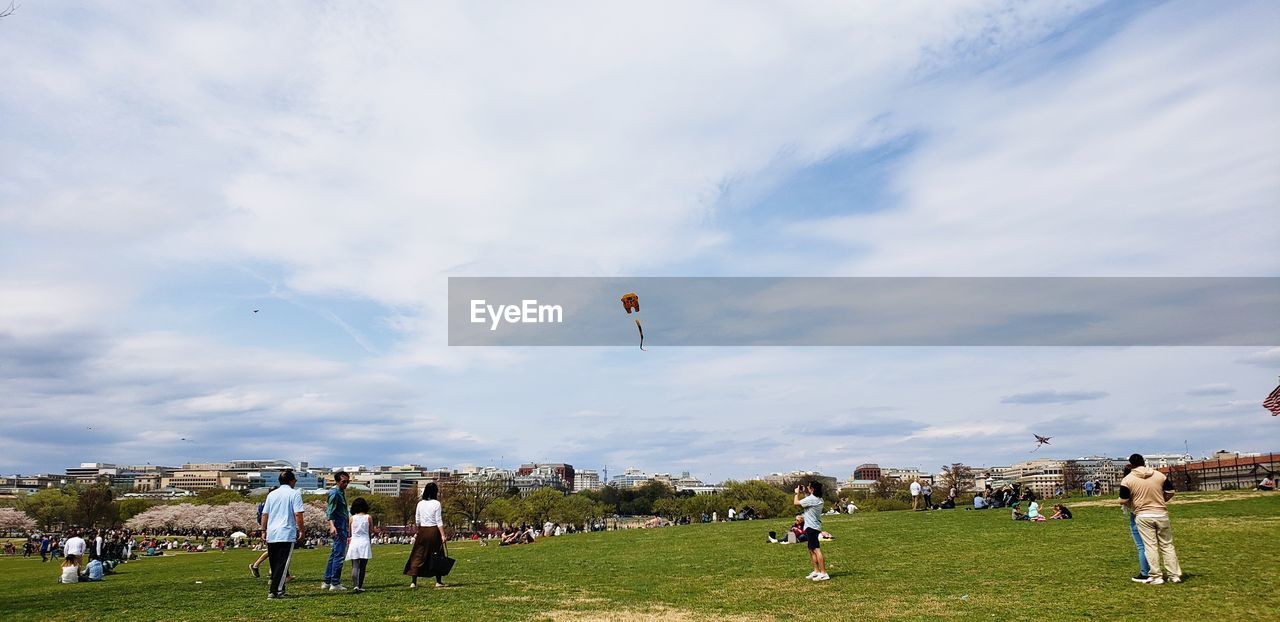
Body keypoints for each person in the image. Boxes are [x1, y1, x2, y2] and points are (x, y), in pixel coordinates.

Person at [1120, 453, 1182, 585]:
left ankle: (1156, 576)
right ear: (1144, 462)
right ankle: (1174, 575)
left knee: (1150, 546)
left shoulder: (1128, 479)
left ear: (1131, 465)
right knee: (1167, 545)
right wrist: (1162, 500)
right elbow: (1171, 491)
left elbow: (1124, 500)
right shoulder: (1159, 475)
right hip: (1160, 513)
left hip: (1143, 515)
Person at [261, 470, 306, 599]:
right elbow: (298, 514)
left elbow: (265, 514)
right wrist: (302, 530)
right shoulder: (294, 494)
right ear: (292, 481)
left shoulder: (272, 495)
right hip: (286, 532)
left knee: (274, 563)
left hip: (272, 532)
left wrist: (263, 530)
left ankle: (279, 588)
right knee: (283, 563)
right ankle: (275, 590)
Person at [404, 482, 448, 588]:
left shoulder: (420, 504)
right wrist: (443, 535)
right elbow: (439, 521)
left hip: (423, 531)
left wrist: (419, 531)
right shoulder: (437, 504)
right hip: (433, 531)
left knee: (418, 555)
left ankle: (413, 581)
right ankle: (438, 581)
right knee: (437, 555)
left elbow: (417, 520)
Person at [1120, 465, 1152, 582]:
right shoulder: (1149, 479)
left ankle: (1145, 573)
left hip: (1138, 514)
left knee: (1141, 546)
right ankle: (1158, 571)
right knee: (1154, 545)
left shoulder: (1128, 482)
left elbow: (1124, 500)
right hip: (1154, 511)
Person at [793, 481, 828, 581]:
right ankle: (816, 571)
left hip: (811, 527)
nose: (808, 487)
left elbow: (796, 503)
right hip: (814, 526)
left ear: (812, 489)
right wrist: (805, 493)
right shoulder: (818, 499)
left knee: (816, 549)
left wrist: (796, 493)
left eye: (809, 486)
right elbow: (808, 501)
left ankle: (824, 573)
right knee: (811, 549)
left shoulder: (812, 499)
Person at [323, 471, 352, 591]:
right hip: (339, 527)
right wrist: (332, 526)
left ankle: (327, 581)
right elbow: (330, 511)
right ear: (337, 481)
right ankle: (335, 582)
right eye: (343, 482)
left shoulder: (340, 492)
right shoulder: (335, 493)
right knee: (339, 555)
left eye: (347, 481)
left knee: (334, 554)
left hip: (342, 526)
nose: (346, 484)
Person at [346, 497, 373, 593]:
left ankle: (355, 585)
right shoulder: (368, 517)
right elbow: (371, 531)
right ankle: (360, 585)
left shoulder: (352, 518)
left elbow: (350, 532)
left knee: (355, 565)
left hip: (355, 542)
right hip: (364, 541)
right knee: (363, 566)